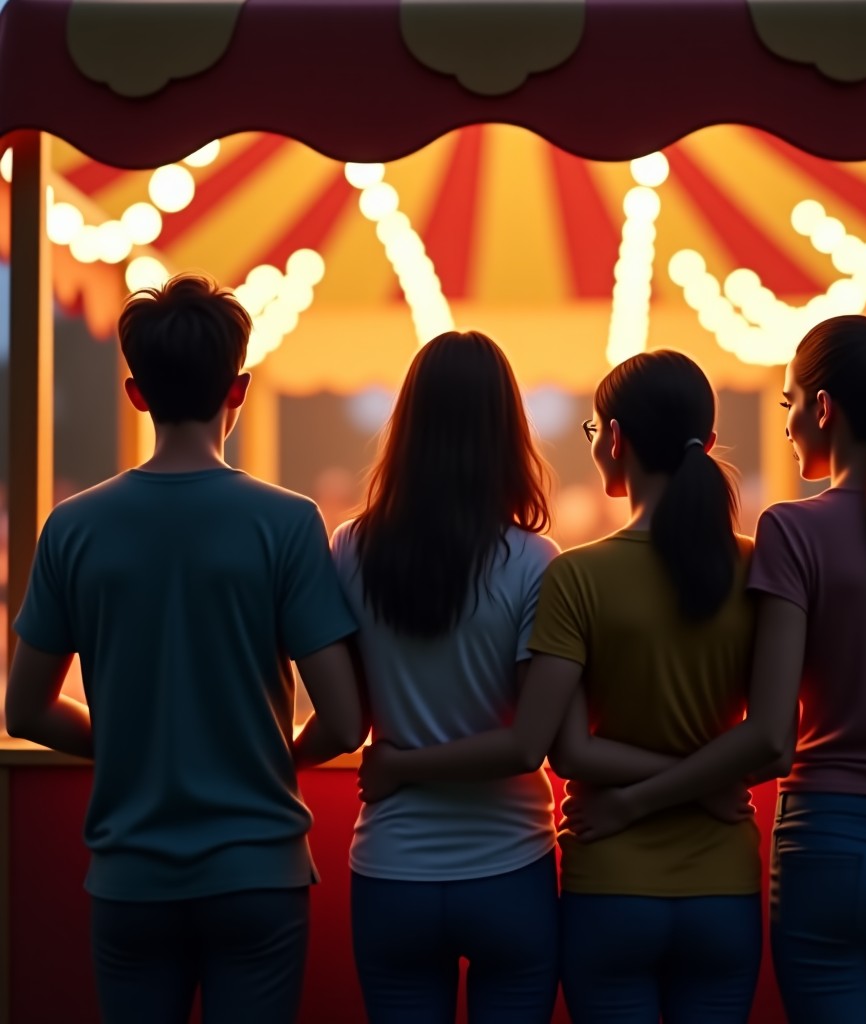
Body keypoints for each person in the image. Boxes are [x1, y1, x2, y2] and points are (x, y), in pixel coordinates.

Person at [566, 306, 866, 1024]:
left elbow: (772, 736)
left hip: (828, 841)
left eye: (790, 404)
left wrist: (634, 800)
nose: (786, 423)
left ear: (825, 407)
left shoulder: (793, 530)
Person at [360, 349, 767, 1024]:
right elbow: (773, 738)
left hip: (595, 879)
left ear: (614, 440)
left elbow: (566, 750)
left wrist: (632, 803)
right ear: (709, 443)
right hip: (708, 878)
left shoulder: (577, 575)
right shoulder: (756, 565)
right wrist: (708, 779)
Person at [6, 273, 366, 1024]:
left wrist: (131, 744)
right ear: (238, 388)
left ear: (136, 394)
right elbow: (343, 718)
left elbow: (26, 709)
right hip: (257, 872)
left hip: (131, 875)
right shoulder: (286, 523)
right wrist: (269, 754)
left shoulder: (73, 528)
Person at [331, 330, 561, 1024]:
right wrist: (406, 766)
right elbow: (529, 745)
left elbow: (352, 715)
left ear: (407, 426)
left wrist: (402, 768)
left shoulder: (351, 547)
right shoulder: (533, 560)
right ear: (507, 430)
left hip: (392, 868)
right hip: (510, 867)